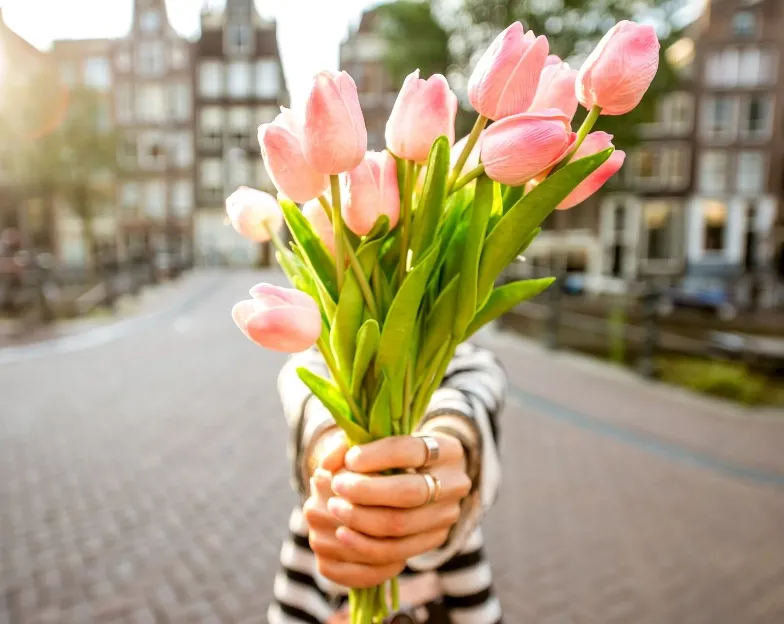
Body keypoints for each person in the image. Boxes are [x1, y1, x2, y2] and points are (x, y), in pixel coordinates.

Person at [268, 342, 507, 624]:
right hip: (329, 539)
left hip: (444, 568)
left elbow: (468, 398)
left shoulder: (470, 358)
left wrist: (447, 442)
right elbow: (308, 392)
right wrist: (333, 452)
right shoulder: (319, 348)